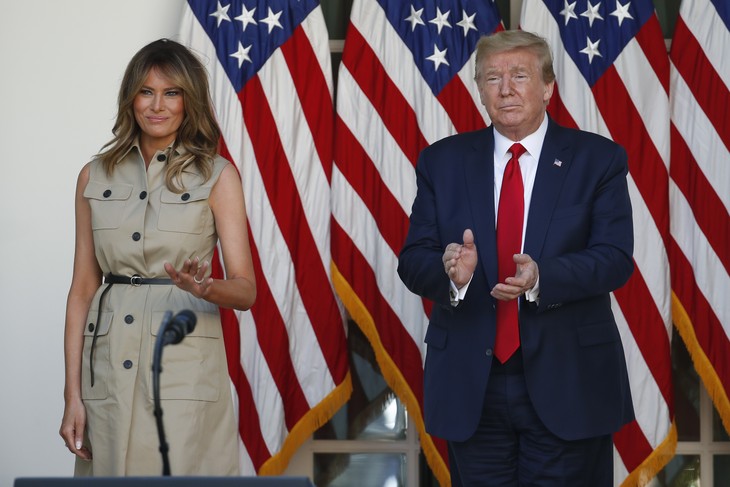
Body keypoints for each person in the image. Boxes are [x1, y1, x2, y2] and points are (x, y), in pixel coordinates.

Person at [398, 30, 634, 486]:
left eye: (520, 76)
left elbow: (614, 258)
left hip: (570, 379)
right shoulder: (441, 162)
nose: (505, 89)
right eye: (492, 78)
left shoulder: (597, 159)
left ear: (548, 88)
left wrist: (543, 276)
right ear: (480, 90)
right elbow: (413, 259)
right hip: (472, 384)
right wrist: (453, 277)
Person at [59, 38, 256, 476]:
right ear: (131, 98)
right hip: (106, 369)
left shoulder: (218, 176)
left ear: (190, 101)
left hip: (182, 368)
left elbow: (246, 291)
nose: (157, 105)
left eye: (171, 93)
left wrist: (206, 287)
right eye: (146, 92)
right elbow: (83, 290)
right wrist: (72, 394)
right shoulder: (93, 176)